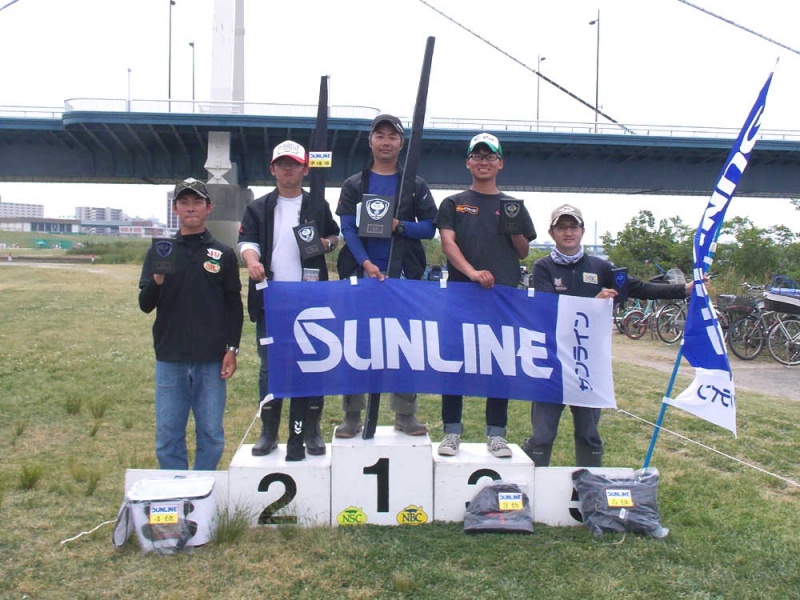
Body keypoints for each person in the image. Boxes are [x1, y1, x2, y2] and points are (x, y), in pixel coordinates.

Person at [522, 203, 695, 467]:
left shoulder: (600, 267)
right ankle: (532, 489)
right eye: (562, 227)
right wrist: (595, 301)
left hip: (588, 364)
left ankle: (588, 488)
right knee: (543, 435)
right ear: (552, 232)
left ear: (581, 231)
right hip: (552, 362)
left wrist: (684, 289)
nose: (568, 232)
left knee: (589, 434)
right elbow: (549, 306)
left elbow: (639, 288)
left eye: (573, 227)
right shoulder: (543, 266)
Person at [334, 114, 438, 438]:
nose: (386, 142)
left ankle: (405, 414)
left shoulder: (415, 185)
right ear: (371, 141)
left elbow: (431, 226)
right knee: (356, 346)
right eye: (380, 135)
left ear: (401, 143)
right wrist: (365, 263)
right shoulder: (354, 184)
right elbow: (347, 228)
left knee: (402, 346)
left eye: (392, 136)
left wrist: (400, 226)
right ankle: (352, 415)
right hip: (361, 275)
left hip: (402, 277)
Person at [433, 132, 537, 458]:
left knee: (499, 363)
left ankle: (497, 433)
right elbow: (448, 244)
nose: (483, 161)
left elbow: (523, 251)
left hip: (502, 296)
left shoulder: (513, 206)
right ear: (468, 162)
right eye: (476, 156)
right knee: (455, 363)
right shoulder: (453, 203)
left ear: (500, 163)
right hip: (461, 294)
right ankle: (451, 432)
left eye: (489, 156)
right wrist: (472, 273)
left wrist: (514, 225)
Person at [238, 140, 341, 461]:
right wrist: (252, 261)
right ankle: (269, 431)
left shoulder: (317, 206)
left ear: (305, 169)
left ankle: (311, 430)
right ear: (272, 169)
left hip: (310, 300)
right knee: (271, 369)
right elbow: (246, 242)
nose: (288, 169)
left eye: (294, 164)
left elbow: (335, 237)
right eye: (282, 163)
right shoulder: (258, 207)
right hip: (271, 299)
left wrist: (326, 244)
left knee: (312, 367)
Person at [139, 178, 243, 471]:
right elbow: (145, 304)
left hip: (211, 358)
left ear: (208, 207)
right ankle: (175, 492)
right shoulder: (160, 251)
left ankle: (202, 489)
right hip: (170, 355)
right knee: (168, 434)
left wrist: (232, 349)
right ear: (175, 209)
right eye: (184, 202)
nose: (191, 208)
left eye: (197, 202)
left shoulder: (223, 253)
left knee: (211, 433)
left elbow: (233, 306)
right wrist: (157, 280)